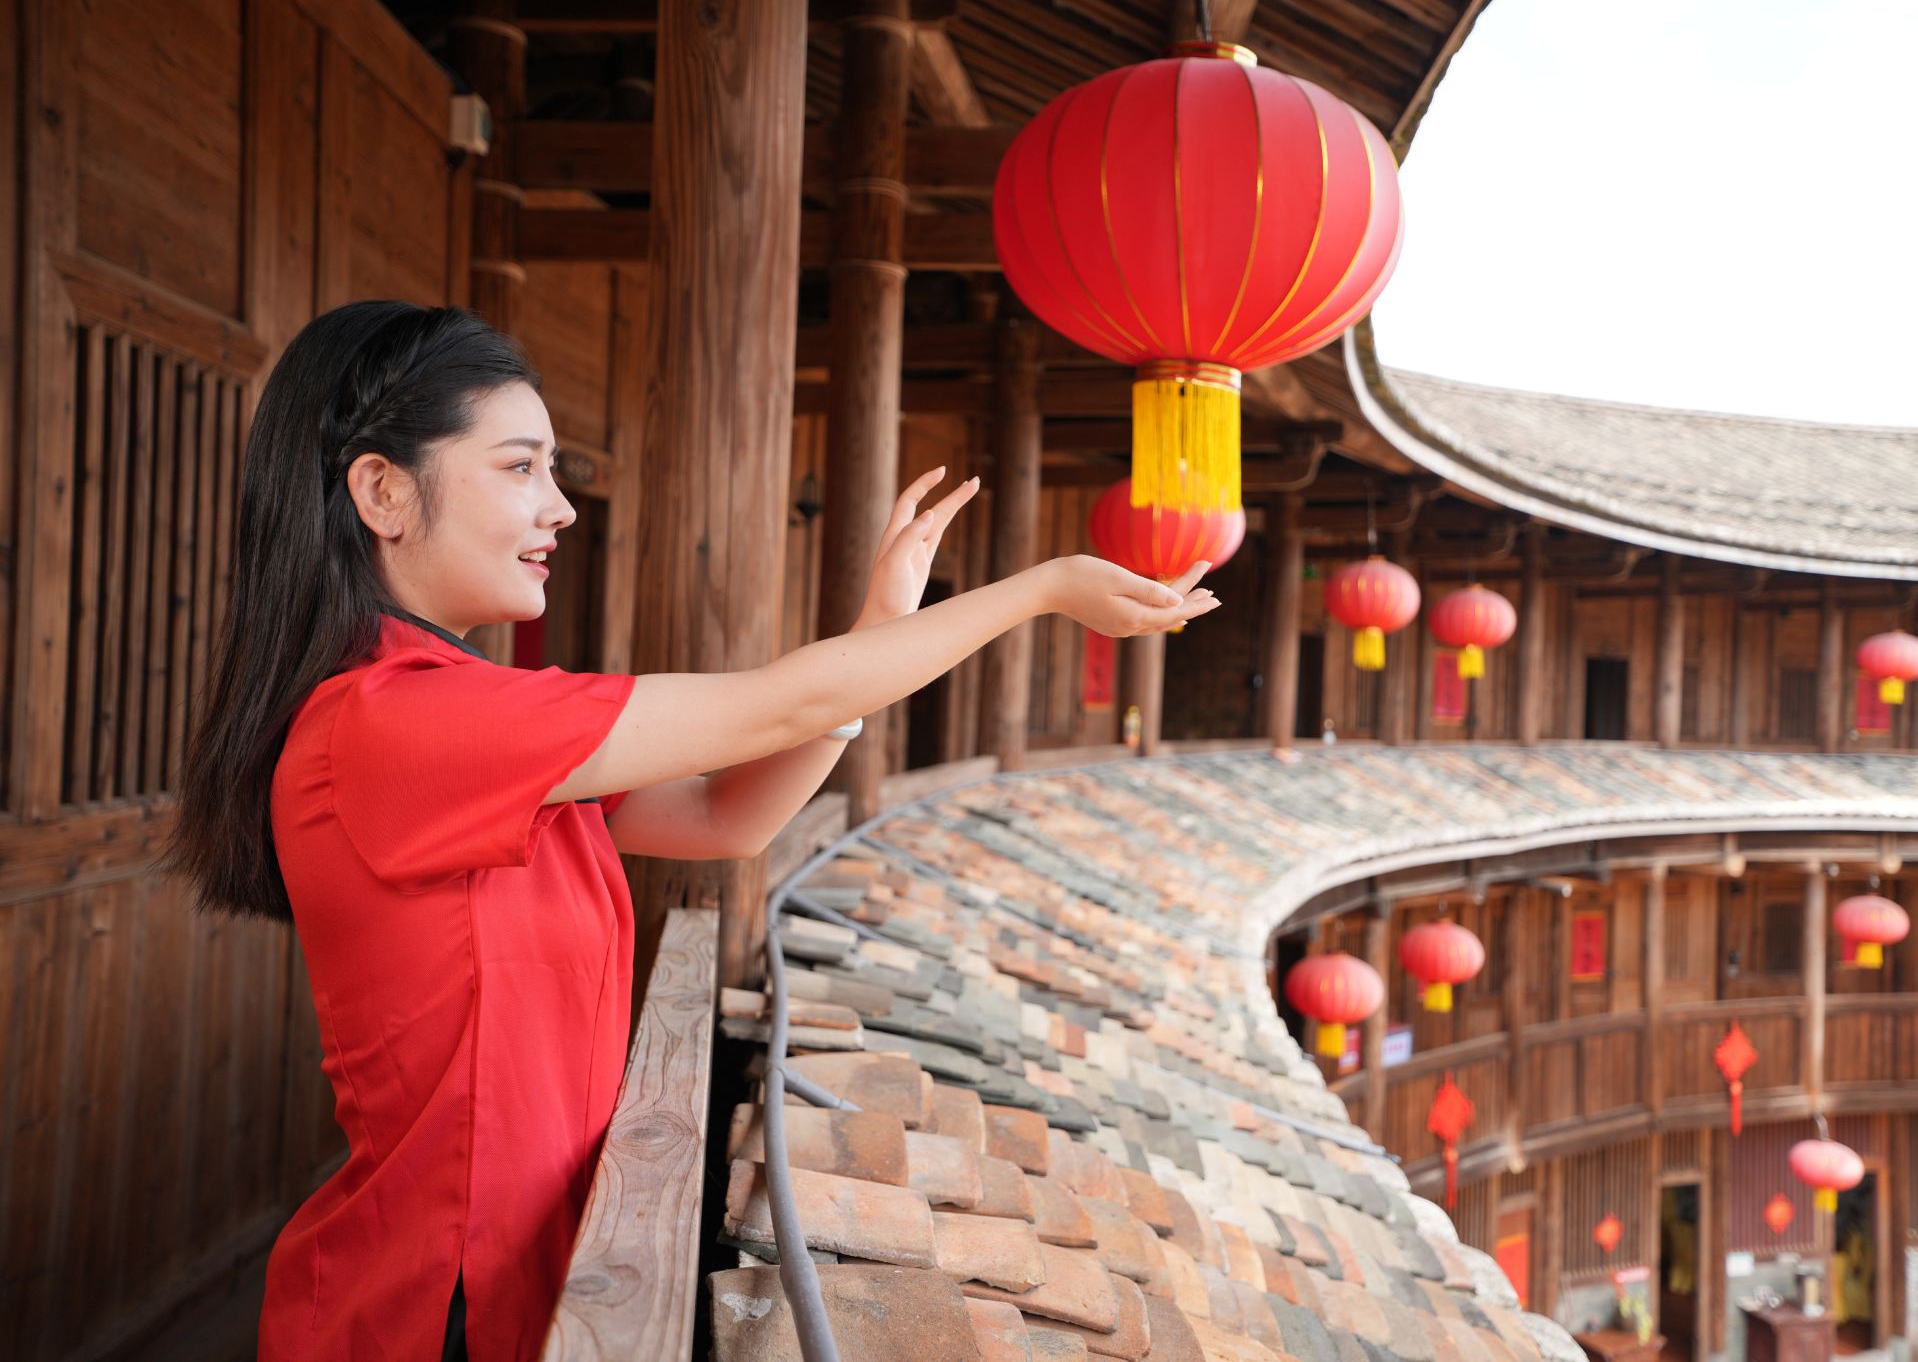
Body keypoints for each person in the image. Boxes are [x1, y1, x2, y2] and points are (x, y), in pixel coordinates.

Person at [162, 301, 1219, 1362]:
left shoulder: (460, 709)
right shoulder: (393, 722)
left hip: (522, 1271)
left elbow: (727, 815)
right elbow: (769, 707)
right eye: (521, 468)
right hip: (433, 1302)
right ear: (383, 492)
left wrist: (874, 640)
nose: (560, 509)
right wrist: (1039, 590)